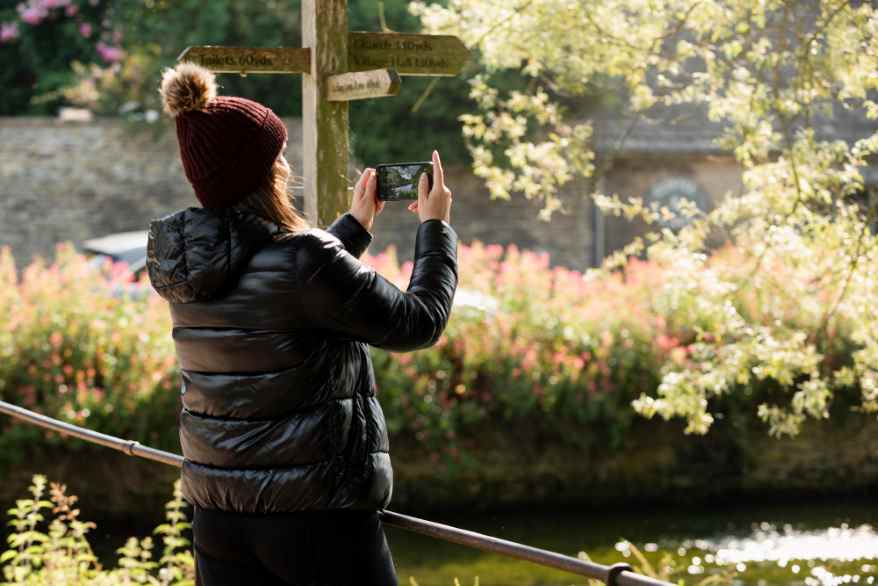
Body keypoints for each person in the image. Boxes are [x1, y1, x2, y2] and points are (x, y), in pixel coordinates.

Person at [146, 62, 457, 586]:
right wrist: (436, 229)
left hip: (220, 517)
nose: (286, 165)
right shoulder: (304, 261)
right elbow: (418, 323)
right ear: (262, 171)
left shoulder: (187, 264)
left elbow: (275, 288)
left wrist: (351, 231)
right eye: (278, 155)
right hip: (314, 520)